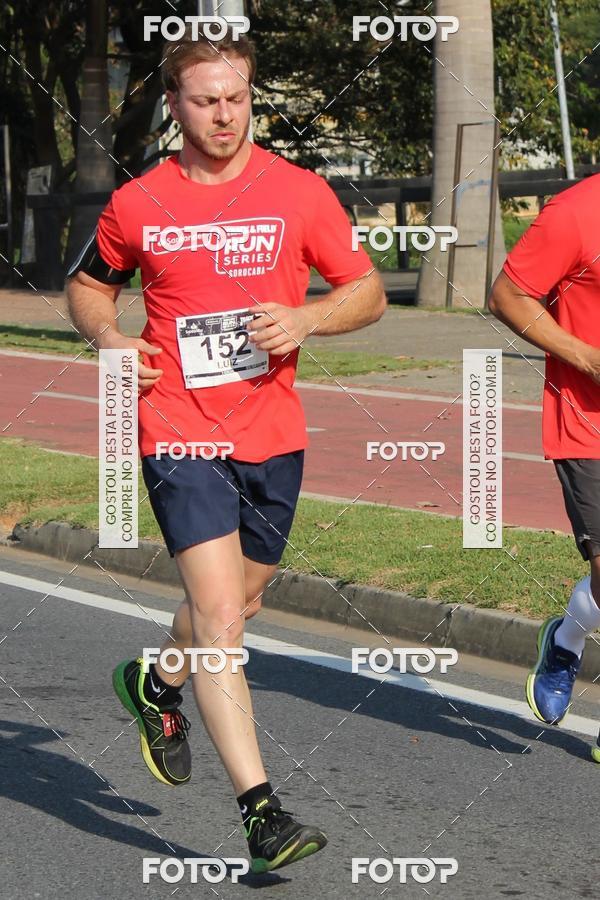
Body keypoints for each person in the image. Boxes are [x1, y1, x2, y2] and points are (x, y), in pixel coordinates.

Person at [66, 25, 386, 872]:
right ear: (174, 106)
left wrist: (309, 317)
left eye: (237, 99)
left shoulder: (301, 193)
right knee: (219, 620)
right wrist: (107, 335)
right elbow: (88, 283)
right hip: (177, 431)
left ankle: (156, 683)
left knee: (235, 609)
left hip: (271, 436)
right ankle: (261, 814)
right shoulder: (139, 201)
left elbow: (367, 290)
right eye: (205, 101)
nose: (224, 116)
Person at [488, 177, 600, 757]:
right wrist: (585, 356)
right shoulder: (576, 213)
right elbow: (507, 295)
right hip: (587, 419)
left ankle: (565, 639)